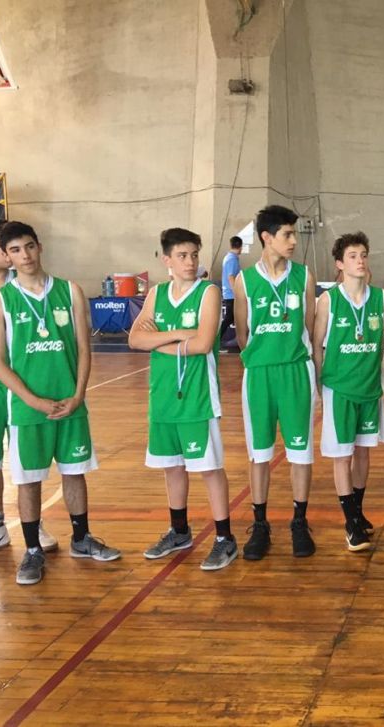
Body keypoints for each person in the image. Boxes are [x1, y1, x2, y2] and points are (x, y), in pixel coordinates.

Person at [0, 221, 120, 584]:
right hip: (28, 409)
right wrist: (34, 400)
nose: (25, 256)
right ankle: (32, 550)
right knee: (29, 480)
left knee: (75, 473)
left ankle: (81, 538)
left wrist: (78, 394)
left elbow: (84, 349)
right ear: (6, 256)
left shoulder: (70, 290)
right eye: (15, 250)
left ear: (40, 246)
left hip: (70, 404)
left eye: (29, 246)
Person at [129, 228, 237, 571]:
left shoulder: (209, 291)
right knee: (172, 467)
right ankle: (179, 532)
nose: (190, 262)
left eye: (194, 255)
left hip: (197, 397)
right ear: (167, 260)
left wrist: (158, 340)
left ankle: (224, 538)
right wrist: (177, 335)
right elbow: (134, 339)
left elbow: (203, 343)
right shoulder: (157, 293)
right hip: (162, 398)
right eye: (182, 256)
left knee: (209, 469)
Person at [233, 205, 316, 560]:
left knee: (300, 453)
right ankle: (260, 524)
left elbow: (310, 327)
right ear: (267, 237)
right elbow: (242, 335)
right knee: (259, 454)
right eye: (287, 234)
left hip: (296, 371)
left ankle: (299, 521)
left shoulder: (305, 276)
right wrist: (263, 354)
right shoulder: (244, 281)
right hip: (260, 374)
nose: (294, 241)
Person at [0, 219, 58, 559]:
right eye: (4, 244)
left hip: (24, 386)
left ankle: (34, 525)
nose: (14, 252)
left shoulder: (25, 286)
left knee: (28, 460)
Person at [313, 232, 384, 552]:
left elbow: (380, 342)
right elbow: (317, 345)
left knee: (363, 452)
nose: (360, 260)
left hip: (369, 388)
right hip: (340, 388)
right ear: (340, 264)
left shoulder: (379, 297)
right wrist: (320, 387)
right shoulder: (329, 300)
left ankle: (358, 510)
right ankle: (350, 522)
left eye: (363, 255)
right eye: (353, 256)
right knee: (342, 455)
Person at [219, 235, 243, 350]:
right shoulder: (232, 259)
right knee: (230, 318)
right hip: (231, 294)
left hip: (229, 293)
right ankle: (216, 339)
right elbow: (231, 277)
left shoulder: (229, 258)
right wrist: (237, 292)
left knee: (233, 318)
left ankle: (238, 339)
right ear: (240, 246)